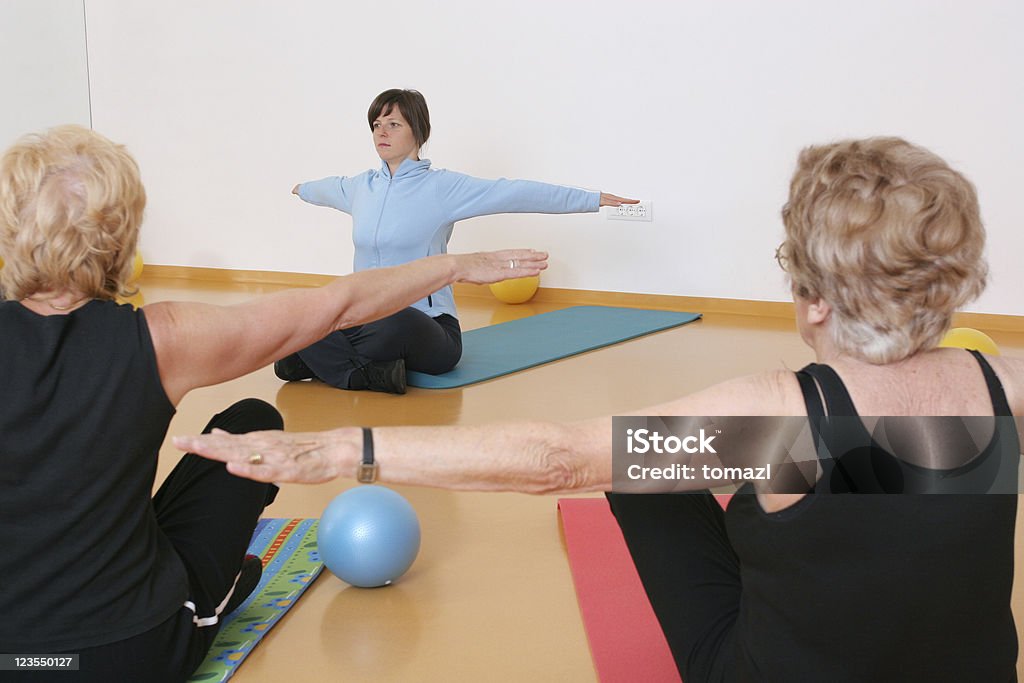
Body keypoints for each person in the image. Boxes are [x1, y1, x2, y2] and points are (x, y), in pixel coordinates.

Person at [177, 137, 1022, 681]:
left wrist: (333, 455)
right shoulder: (1006, 388)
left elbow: (558, 458)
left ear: (811, 298)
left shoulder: (780, 422)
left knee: (638, 468)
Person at [0, 124, 546, 682]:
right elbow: (338, 306)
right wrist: (454, 266)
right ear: (120, 235)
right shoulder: (160, 340)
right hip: (133, 653)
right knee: (252, 423)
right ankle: (212, 600)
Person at [279, 88, 637, 394]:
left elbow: (515, 193)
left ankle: (324, 363)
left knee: (385, 322)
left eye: (393, 124)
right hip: (365, 317)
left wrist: (592, 199)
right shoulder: (360, 188)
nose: (381, 133)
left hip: (427, 326)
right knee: (310, 310)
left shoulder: (442, 188)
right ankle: (362, 372)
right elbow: (319, 188)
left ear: (417, 132)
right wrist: (301, 189)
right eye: (376, 125)